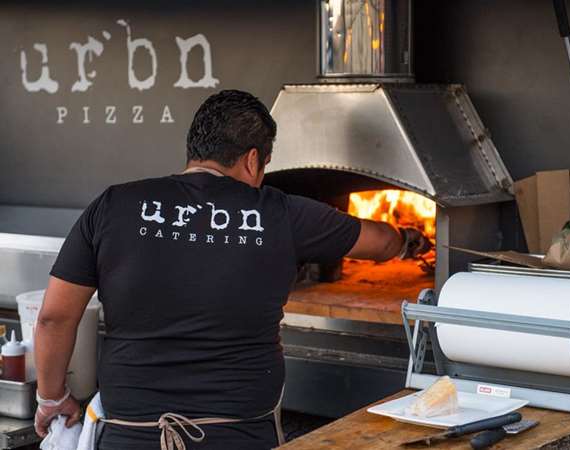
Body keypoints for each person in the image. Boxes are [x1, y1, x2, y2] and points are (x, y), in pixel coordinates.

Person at [33, 90, 430, 449]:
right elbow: (379, 242)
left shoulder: (114, 205)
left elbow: (54, 319)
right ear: (253, 159)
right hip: (239, 435)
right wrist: (409, 238)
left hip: (127, 435)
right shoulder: (282, 213)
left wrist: (52, 398)